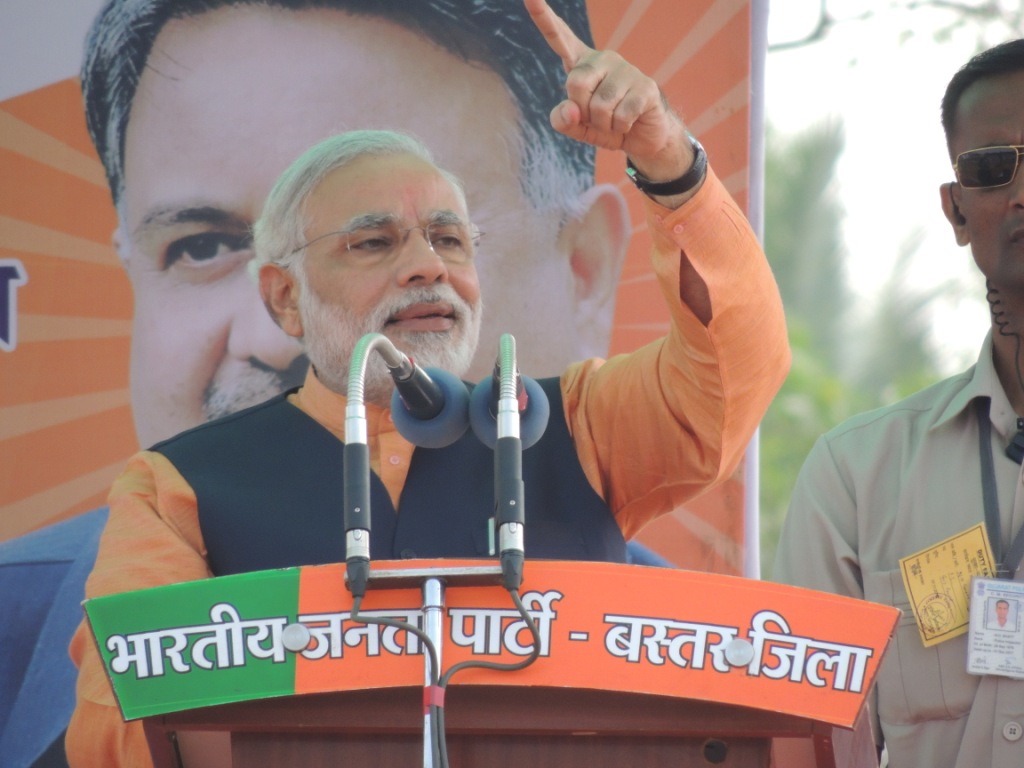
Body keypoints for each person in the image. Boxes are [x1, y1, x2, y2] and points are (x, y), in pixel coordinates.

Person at [63, 0, 789, 763]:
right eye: (374, 241)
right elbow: (125, 715)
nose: (426, 265)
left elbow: (733, 375)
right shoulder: (179, 486)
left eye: (449, 238)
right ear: (284, 297)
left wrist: (671, 162)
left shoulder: (565, 422)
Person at [773, 38, 1024, 768]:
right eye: (990, 167)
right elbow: (803, 742)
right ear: (955, 211)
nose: (1021, 191)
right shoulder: (855, 474)